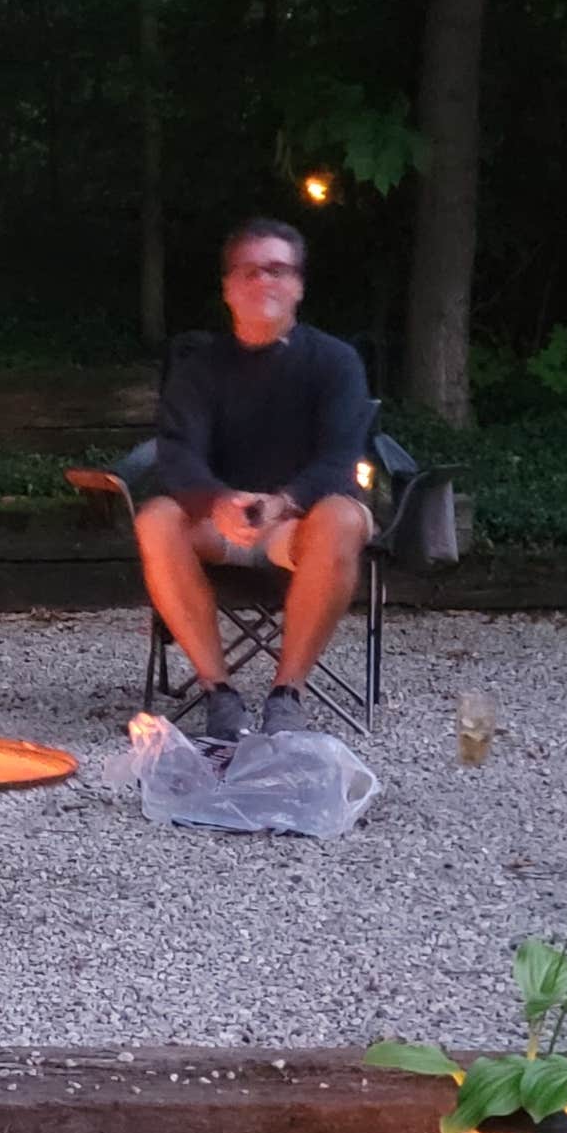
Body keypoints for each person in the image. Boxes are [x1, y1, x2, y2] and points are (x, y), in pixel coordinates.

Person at [133, 217, 374, 740]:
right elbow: (177, 454)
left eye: (278, 270)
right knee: (156, 518)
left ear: (299, 285)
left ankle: (288, 693)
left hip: (301, 522)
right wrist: (218, 500)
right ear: (228, 287)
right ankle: (219, 692)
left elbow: (340, 460)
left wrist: (284, 503)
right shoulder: (200, 368)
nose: (264, 282)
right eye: (249, 271)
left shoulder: (335, 362)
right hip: (219, 521)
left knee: (341, 516)